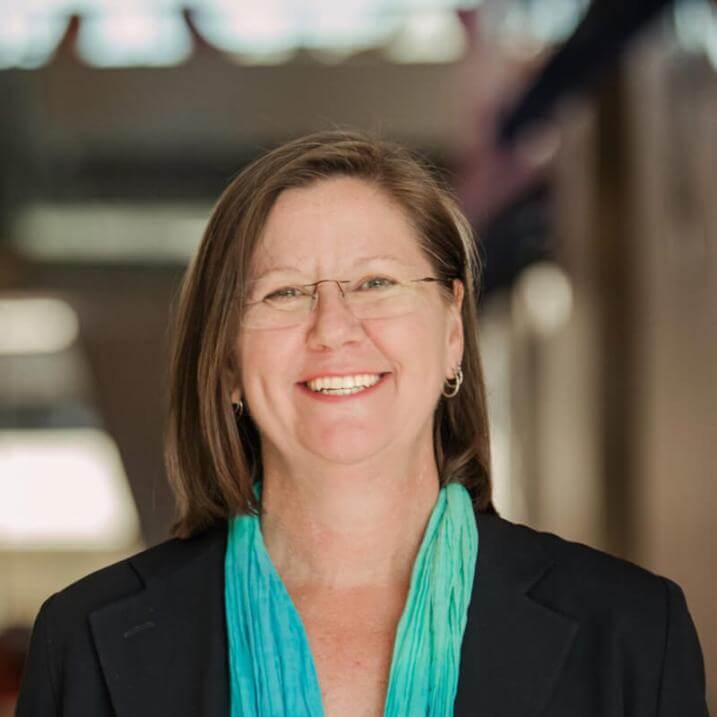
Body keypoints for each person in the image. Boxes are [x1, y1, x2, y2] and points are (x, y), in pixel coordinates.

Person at [16, 131, 707, 716]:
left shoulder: (632, 633)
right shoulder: (85, 643)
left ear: (450, 333)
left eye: (376, 282)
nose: (333, 328)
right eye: (283, 292)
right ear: (225, 361)